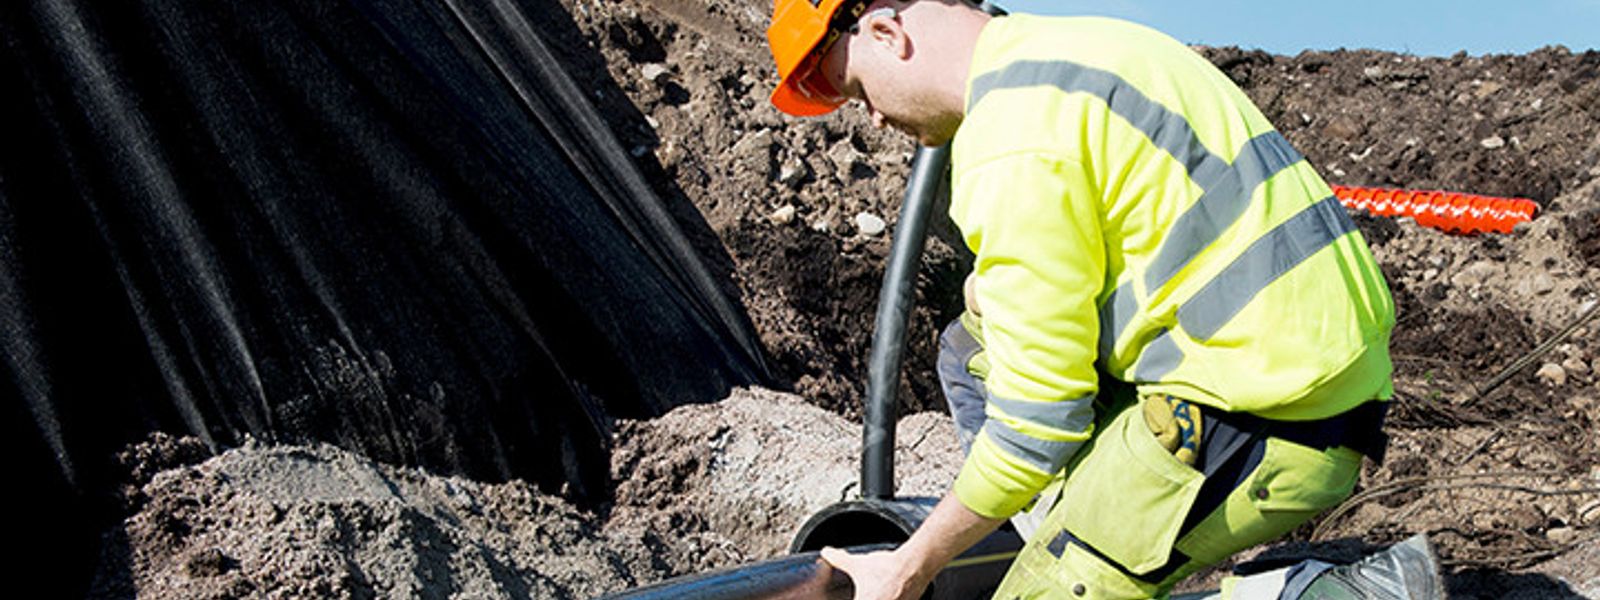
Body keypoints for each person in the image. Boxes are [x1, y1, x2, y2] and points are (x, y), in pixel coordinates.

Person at [764, 1, 1443, 599]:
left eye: (859, 93)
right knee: (972, 342)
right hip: (1300, 368)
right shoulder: (1085, 48)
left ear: (886, 33)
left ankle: (1329, 594)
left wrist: (910, 564)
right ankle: (1078, 534)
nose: (875, 119)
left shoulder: (1012, 142)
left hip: (1272, 417)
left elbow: (1035, 427)